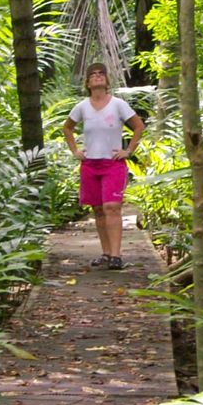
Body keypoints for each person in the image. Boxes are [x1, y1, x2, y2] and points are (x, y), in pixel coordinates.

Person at [61, 63, 146, 270]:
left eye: (101, 73)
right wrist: (75, 151)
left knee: (112, 207)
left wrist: (128, 151)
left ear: (107, 81)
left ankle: (116, 255)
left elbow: (138, 126)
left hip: (113, 164)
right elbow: (67, 127)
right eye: (93, 74)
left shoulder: (117, 104)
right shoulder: (82, 106)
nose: (98, 76)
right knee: (98, 210)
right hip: (90, 164)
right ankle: (106, 253)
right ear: (88, 83)